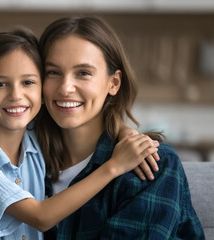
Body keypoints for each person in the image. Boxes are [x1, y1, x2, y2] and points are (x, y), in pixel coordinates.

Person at [0, 28, 160, 240]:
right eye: (0, 84)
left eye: (28, 82)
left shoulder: (34, 140)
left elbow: (86, 119)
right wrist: (114, 166)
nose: (16, 95)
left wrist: (124, 132)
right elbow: (41, 217)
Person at [35, 16, 205, 239]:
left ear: (113, 83)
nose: (66, 88)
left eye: (83, 73)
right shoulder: (27, 164)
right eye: (53, 72)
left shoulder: (152, 164)